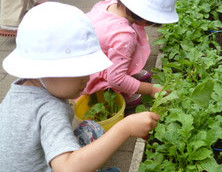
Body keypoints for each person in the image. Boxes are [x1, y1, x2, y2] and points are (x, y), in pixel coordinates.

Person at [0, 2, 160, 172]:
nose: (88, 78)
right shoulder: (50, 109)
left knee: (92, 128)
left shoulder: (19, 88)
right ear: (51, 69)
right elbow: (67, 168)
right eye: (81, 71)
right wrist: (125, 128)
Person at [83, 0, 179, 108]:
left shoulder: (108, 4)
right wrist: (150, 89)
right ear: (146, 18)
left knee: (123, 52)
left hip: (88, 57)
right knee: (119, 75)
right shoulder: (123, 37)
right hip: (89, 76)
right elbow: (116, 80)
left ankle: (127, 72)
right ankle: (120, 93)